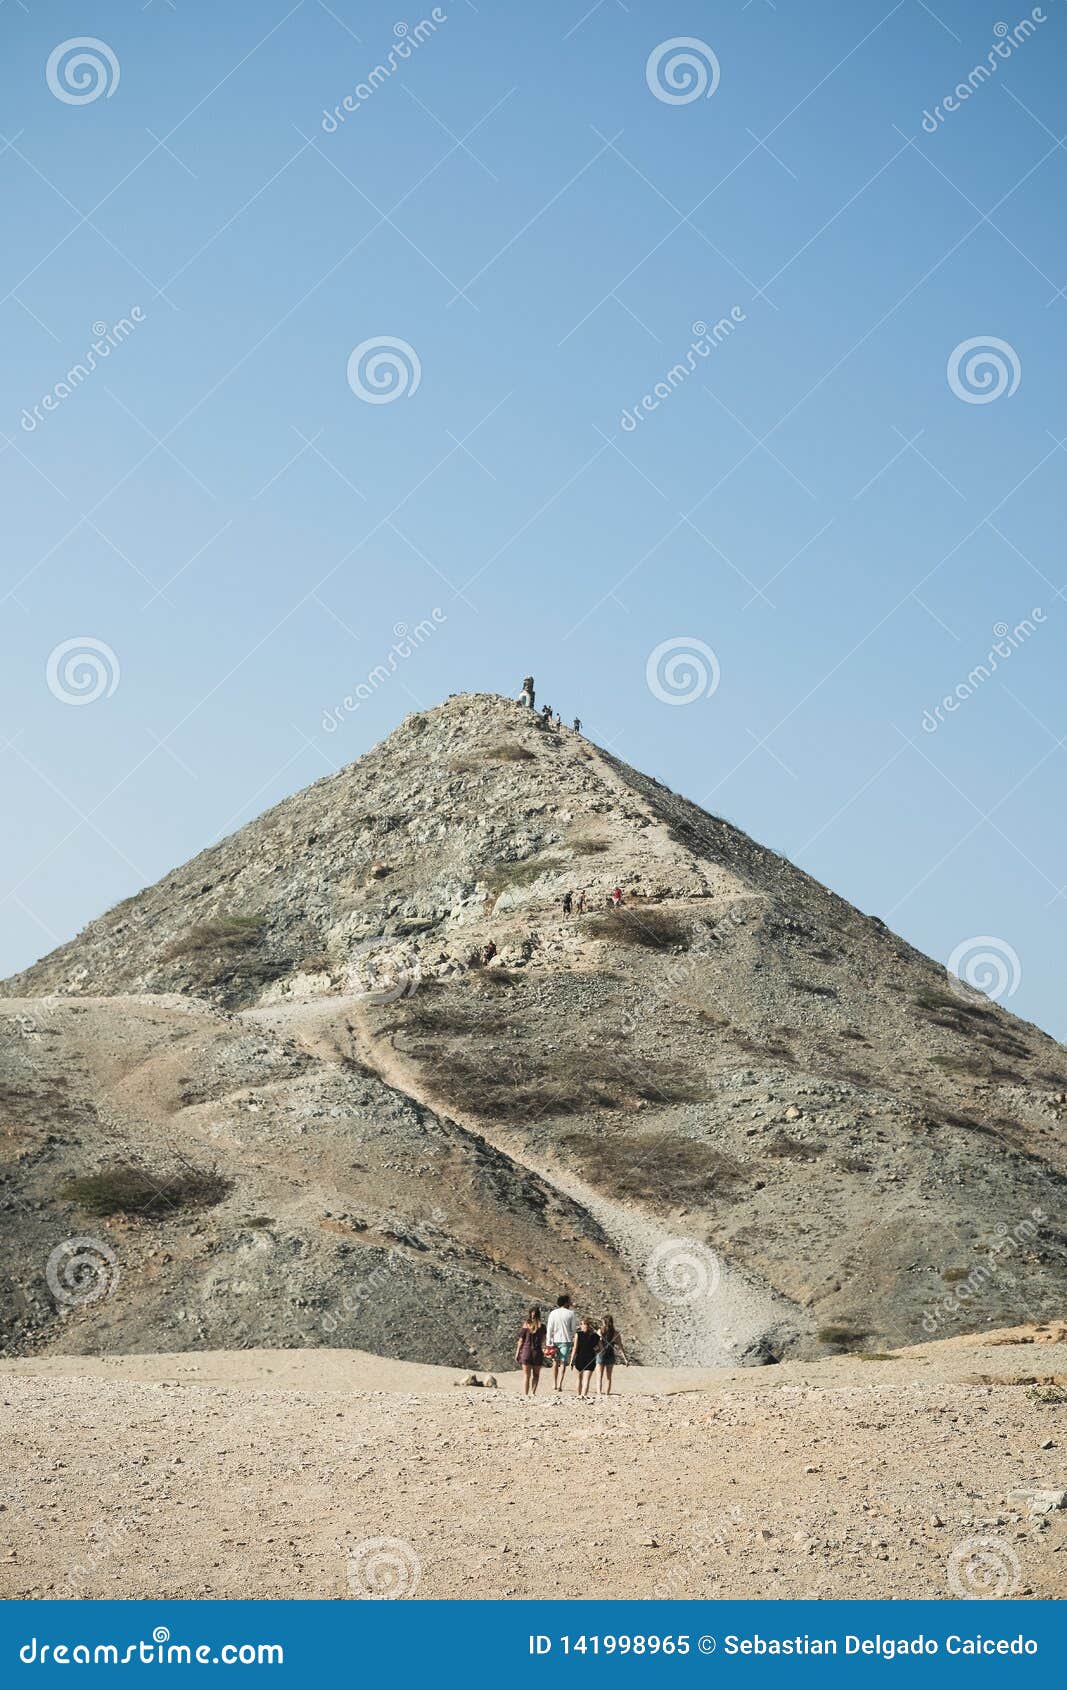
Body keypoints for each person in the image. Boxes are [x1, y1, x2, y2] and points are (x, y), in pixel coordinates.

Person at [546, 1294, 577, 1393]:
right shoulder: (571, 1313)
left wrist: (548, 1342)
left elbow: (549, 1328)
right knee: (563, 1362)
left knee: (555, 1362)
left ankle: (554, 1384)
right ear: (566, 1302)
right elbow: (573, 1329)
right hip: (566, 1340)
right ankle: (560, 1384)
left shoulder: (553, 1313)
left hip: (554, 1340)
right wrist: (571, 1336)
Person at [515, 1305, 546, 1396]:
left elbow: (521, 1341)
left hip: (526, 1351)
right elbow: (543, 1340)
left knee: (526, 1375)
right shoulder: (542, 1327)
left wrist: (517, 1353)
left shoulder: (526, 1325)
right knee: (536, 1375)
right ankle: (533, 1393)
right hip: (537, 1352)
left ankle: (525, 1394)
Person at [596, 1315, 628, 1394]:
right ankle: (607, 1393)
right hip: (610, 1355)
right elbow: (621, 1347)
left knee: (599, 1376)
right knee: (608, 1377)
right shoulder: (615, 1333)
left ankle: (599, 1393)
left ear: (604, 1322)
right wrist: (625, 1359)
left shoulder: (600, 1331)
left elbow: (596, 1343)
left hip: (601, 1355)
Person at [572, 1316, 599, 1397]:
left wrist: (571, 1361)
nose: (581, 1326)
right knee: (586, 1380)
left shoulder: (578, 1334)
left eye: (582, 1324)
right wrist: (595, 1351)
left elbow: (575, 1348)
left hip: (580, 1358)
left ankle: (578, 1395)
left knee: (579, 1379)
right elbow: (601, 1349)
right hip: (591, 1358)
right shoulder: (595, 1336)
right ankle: (583, 1396)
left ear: (586, 1325)